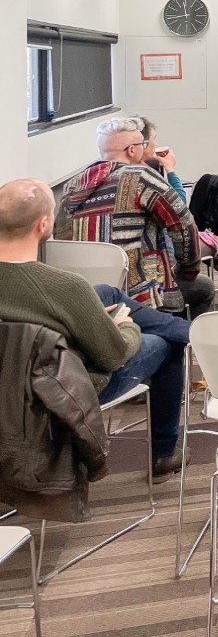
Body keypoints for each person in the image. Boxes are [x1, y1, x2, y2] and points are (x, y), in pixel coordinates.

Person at [0, 179, 187, 481]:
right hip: (63, 394)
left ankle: (190, 330)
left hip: (12, 388)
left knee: (105, 292)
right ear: (43, 224)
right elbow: (113, 356)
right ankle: (164, 454)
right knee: (166, 344)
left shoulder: (66, 291)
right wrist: (125, 328)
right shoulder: (64, 288)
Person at [55, 116, 212, 317]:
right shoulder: (141, 177)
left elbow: (61, 235)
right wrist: (186, 270)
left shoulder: (73, 185)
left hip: (87, 296)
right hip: (139, 295)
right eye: (144, 144)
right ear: (132, 150)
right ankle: (187, 342)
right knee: (203, 289)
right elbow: (183, 224)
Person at [135, 115, 218, 292]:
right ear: (142, 144)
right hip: (163, 249)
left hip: (144, 252)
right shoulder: (144, 175)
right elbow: (179, 206)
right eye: (154, 139)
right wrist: (171, 169)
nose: (155, 143)